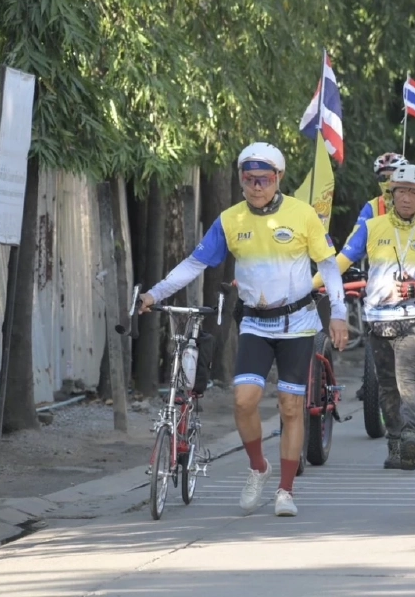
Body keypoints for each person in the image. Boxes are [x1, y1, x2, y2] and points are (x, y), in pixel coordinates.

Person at [139, 143, 348, 518]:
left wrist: (339, 313)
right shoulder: (230, 220)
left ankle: (285, 490)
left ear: (278, 178)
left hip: (298, 324)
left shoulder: (303, 216)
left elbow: (329, 266)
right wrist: (155, 293)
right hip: (254, 321)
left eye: (264, 179)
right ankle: (258, 468)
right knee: (243, 401)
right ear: (240, 179)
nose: (256, 187)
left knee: (290, 406)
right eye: (249, 179)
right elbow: (194, 263)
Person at [336, 162, 415, 470]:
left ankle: (409, 434)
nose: (406, 198)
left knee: (408, 379)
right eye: (401, 191)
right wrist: (305, 285)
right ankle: (395, 444)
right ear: (391, 195)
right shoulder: (371, 227)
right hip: (378, 318)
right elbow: (339, 262)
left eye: (413, 193)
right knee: (387, 385)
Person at [347, 152, 415, 239]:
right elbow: (356, 239)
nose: (388, 182)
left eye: (393, 176)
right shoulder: (372, 206)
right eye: (383, 178)